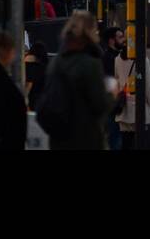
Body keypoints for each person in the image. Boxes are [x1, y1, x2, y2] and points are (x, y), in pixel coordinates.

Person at [38, 11, 116, 150]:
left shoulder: (56, 63)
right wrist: (112, 94)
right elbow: (99, 105)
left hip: (59, 141)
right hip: (85, 140)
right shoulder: (90, 64)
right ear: (90, 32)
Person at [113, 42, 150, 149]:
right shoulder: (142, 60)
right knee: (141, 142)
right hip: (139, 108)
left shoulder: (117, 59)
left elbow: (117, 83)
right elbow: (149, 88)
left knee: (126, 143)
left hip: (123, 108)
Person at [101, 26, 126, 150]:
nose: (124, 40)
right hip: (114, 107)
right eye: (120, 37)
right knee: (115, 140)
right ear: (111, 40)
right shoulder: (109, 59)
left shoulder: (119, 56)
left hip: (118, 106)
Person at [23, 40, 49, 111]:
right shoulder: (46, 67)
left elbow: (28, 85)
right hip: (43, 103)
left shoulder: (26, 65)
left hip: (30, 101)